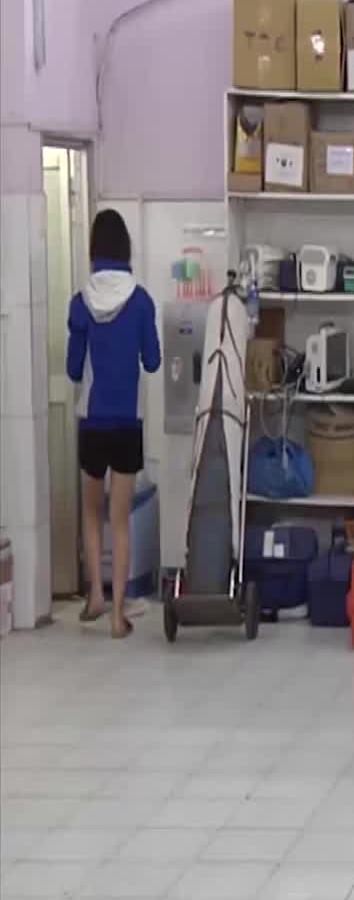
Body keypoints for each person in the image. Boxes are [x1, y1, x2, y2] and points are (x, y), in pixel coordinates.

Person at [67, 209, 161, 638]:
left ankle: (95, 595)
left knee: (91, 512)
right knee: (120, 519)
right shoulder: (140, 301)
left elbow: (73, 369)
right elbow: (153, 361)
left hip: (91, 421)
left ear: (93, 250)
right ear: (126, 249)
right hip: (127, 422)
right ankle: (118, 614)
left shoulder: (80, 302)